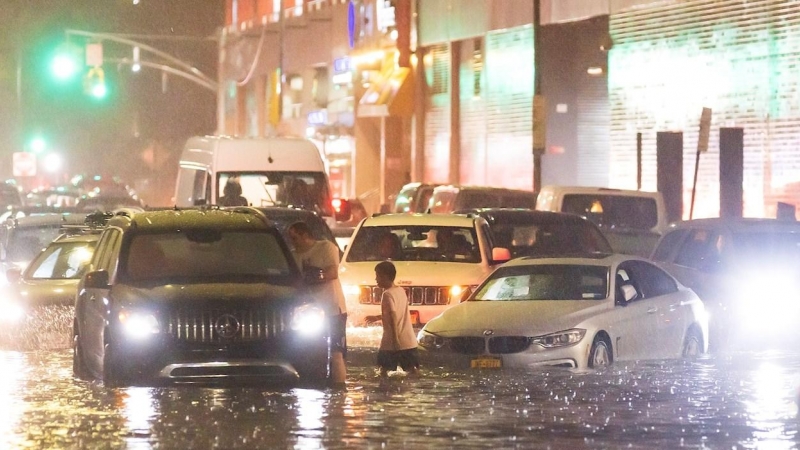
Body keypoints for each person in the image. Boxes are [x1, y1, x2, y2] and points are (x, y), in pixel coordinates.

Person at [286, 221, 348, 387]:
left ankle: (339, 388)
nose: (292, 241)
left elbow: (332, 272)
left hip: (332, 309)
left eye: (295, 237)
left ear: (306, 236)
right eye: (290, 238)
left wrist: (311, 277)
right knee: (307, 350)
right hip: (307, 312)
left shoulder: (326, 247)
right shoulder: (292, 256)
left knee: (336, 351)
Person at [375, 261, 420, 377]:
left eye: (378, 275)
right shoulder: (400, 291)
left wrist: (395, 340)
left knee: (382, 374)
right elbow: (398, 312)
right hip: (409, 342)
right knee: (413, 373)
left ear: (385, 276)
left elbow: (393, 316)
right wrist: (377, 317)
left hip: (391, 343)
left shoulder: (387, 294)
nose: (376, 279)